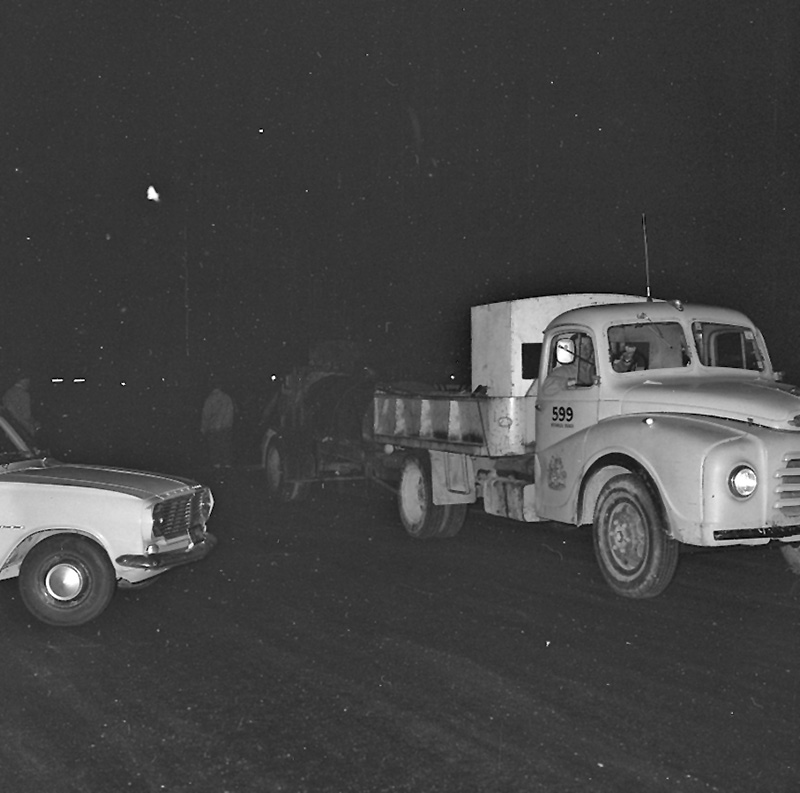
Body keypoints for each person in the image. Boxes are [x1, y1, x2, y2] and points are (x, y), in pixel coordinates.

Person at [201, 380, 235, 467]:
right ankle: (227, 468)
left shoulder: (209, 399)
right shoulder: (227, 398)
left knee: (215, 450)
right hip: (226, 428)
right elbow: (231, 412)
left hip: (213, 429)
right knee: (226, 449)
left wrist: (204, 428)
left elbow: (206, 415)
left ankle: (217, 469)